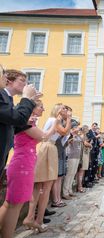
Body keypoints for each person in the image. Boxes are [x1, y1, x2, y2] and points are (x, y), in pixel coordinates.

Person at [0, 100, 60, 237]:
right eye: (41, 106)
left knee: (11, 203)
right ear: (31, 109)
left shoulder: (29, 122)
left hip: (25, 163)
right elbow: (43, 136)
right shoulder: (25, 122)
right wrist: (55, 125)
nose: (44, 109)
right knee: (13, 204)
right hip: (22, 164)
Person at [0, 68, 39, 178]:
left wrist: (26, 123)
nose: (26, 84)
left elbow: (11, 124)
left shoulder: (8, 98)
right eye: (22, 80)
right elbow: (17, 118)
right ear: (9, 81)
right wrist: (27, 99)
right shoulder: (1, 95)